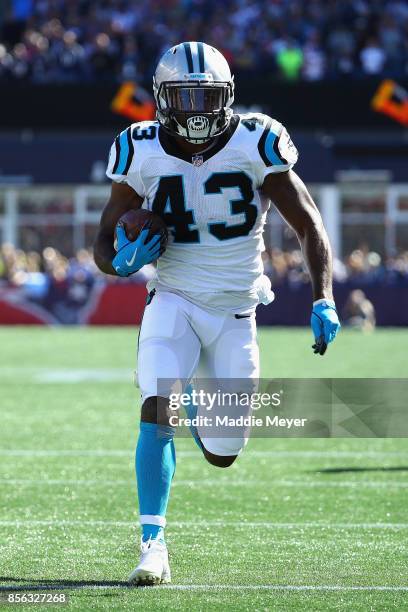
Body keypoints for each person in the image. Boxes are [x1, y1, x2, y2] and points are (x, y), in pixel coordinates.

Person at [94, 41, 340, 586]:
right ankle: (152, 543)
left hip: (235, 308)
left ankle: (203, 415)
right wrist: (122, 258)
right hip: (174, 297)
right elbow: (102, 247)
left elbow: (308, 223)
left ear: (227, 96)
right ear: (161, 99)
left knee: (225, 453)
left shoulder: (256, 141)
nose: (195, 109)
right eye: (183, 97)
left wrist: (323, 295)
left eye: (206, 96)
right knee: (157, 407)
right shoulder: (139, 149)